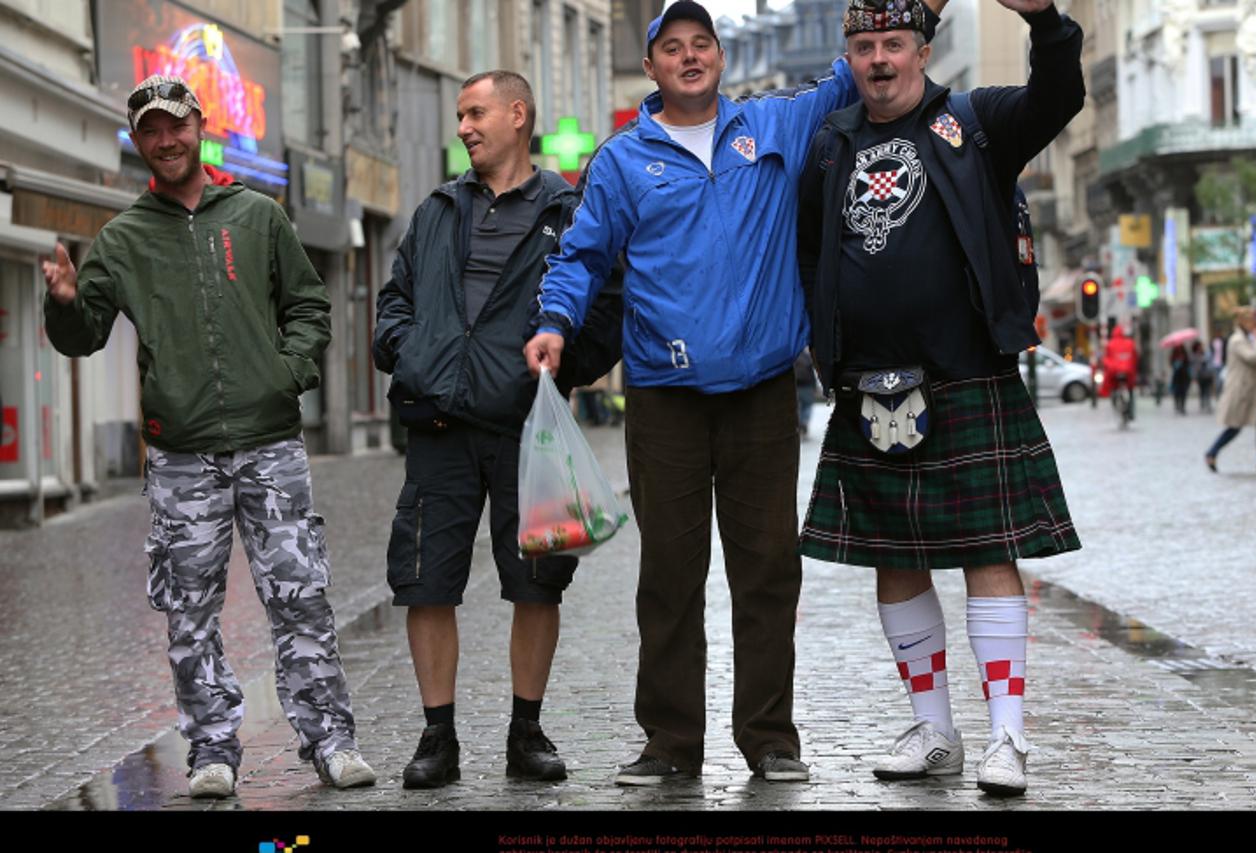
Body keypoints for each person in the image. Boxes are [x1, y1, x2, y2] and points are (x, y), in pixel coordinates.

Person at [525, 0, 947, 786]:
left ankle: (770, 738)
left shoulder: (774, 126)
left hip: (760, 394)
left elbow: (847, 70)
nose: (690, 57)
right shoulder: (621, 160)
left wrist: (924, 10)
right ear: (651, 68)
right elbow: (582, 257)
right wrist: (555, 320)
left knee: (766, 572)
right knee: (670, 578)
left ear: (719, 57)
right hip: (664, 399)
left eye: (702, 44)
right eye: (673, 48)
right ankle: (670, 743)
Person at [40, 75, 375, 799]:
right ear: (138, 142)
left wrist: (284, 374)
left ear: (201, 125)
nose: (166, 141)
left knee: (301, 597)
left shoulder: (258, 216)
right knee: (189, 611)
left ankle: (331, 741)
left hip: (272, 445)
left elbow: (309, 305)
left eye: (176, 125)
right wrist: (64, 302)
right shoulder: (123, 238)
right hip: (182, 456)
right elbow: (83, 335)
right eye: (151, 131)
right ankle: (211, 749)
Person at [796, 0, 1083, 797]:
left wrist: (1047, 22)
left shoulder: (976, 121)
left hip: (965, 376)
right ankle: (936, 731)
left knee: (990, 554)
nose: (879, 59)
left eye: (893, 44)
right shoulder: (831, 143)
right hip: (867, 385)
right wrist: (829, 346)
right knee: (895, 557)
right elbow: (813, 245)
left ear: (922, 51)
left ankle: (1007, 738)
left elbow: (1057, 97)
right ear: (848, 56)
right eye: (864, 46)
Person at [372, 71, 621, 788]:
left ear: (518, 114)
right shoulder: (439, 208)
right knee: (425, 581)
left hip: (525, 428)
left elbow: (605, 306)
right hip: (439, 422)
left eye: (475, 112)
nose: (464, 126)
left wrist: (561, 365)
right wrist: (408, 351)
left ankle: (526, 731)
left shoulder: (568, 211)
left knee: (539, 582)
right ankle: (437, 736)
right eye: (458, 116)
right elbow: (396, 301)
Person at [1205, 307, 1256, 473]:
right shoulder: (1237, 340)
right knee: (1235, 426)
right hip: (1242, 391)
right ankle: (1212, 452)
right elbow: (1251, 358)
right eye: (1253, 320)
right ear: (1245, 322)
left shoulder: (1249, 339)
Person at [1101, 324, 1138, 417]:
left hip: (1114, 372)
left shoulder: (1110, 344)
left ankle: (1114, 403)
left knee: (1113, 387)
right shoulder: (1130, 343)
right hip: (1128, 372)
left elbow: (1106, 359)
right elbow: (1135, 357)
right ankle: (1131, 411)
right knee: (1130, 389)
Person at [1190, 340, 1214, 413]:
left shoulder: (1206, 353)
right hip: (1200, 376)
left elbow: (1210, 362)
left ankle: (1208, 405)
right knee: (1202, 391)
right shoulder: (1194, 355)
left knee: (1207, 390)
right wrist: (1194, 376)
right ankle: (1202, 404)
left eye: (1201, 346)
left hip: (1207, 375)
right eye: (1199, 346)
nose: (1201, 347)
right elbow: (1193, 367)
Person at [1169, 343, 1191, 414]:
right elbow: (1171, 364)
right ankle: (1177, 405)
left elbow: (1188, 363)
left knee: (1183, 392)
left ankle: (1183, 406)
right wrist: (1177, 363)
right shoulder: (1174, 356)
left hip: (1184, 376)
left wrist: (1183, 360)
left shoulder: (1185, 355)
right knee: (1177, 392)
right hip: (1176, 377)